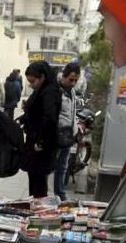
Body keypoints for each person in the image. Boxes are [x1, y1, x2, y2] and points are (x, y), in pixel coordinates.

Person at [20, 61, 61, 198]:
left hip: (41, 145)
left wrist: (41, 141)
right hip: (35, 140)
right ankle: (35, 208)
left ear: (42, 77)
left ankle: (38, 213)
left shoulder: (49, 92)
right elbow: (34, 113)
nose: (31, 85)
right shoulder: (41, 91)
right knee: (35, 180)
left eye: (33, 81)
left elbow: (49, 118)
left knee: (39, 183)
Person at [55, 62, 80, 200]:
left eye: (76, 80)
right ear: (63, 76)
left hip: (68, 134)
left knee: (63, 166)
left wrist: (75, 127)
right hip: (57, 134)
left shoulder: (72, 91)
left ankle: (60, 193)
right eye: (71, 79)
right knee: (52, 165)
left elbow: (72, 111)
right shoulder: (56, 90)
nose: (73, 83)